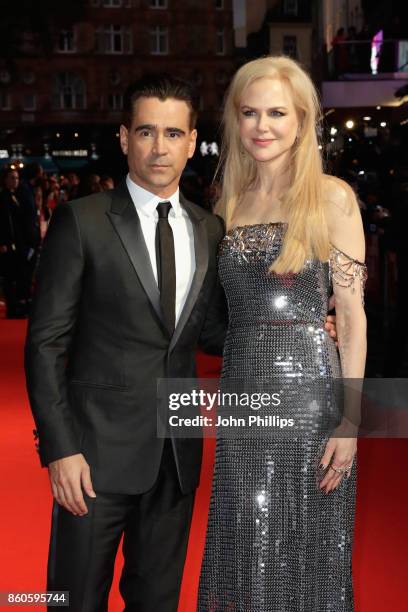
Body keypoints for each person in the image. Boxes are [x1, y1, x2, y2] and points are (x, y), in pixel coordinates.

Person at [24, 74, 227, 612]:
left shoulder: (210, 229)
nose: (159, 147)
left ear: (190, 141)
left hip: (176, 455)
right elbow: (45, 343)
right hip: (93, 455)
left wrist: (295, 327)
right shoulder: (81, 221)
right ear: (123, 138)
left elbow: (207, 331)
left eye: (171, 133)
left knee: (156, 601)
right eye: (145, 132)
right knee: (73, 599)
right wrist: (60, 448)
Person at [198, 56, 367, 611]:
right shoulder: (228, 201)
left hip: (310, 400)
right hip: (244, 389)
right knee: (246, 542)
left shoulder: (332, 196)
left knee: (306, 548)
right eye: (249, 113)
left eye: (276, 113)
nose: (262, 126)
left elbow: (350, 316)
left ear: (301, 121)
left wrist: (350, 419)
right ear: (235, 120)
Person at [0, 169, 34, 318]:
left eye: (17, 178)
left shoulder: (20, 196)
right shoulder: (2, 197)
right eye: (12, 178)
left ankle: (20, 306)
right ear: (5, 180)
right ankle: (12, 309)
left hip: (20, 243)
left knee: (21, 276)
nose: (15, 180)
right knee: (9, 277)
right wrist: (2, 242)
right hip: (7, 243)